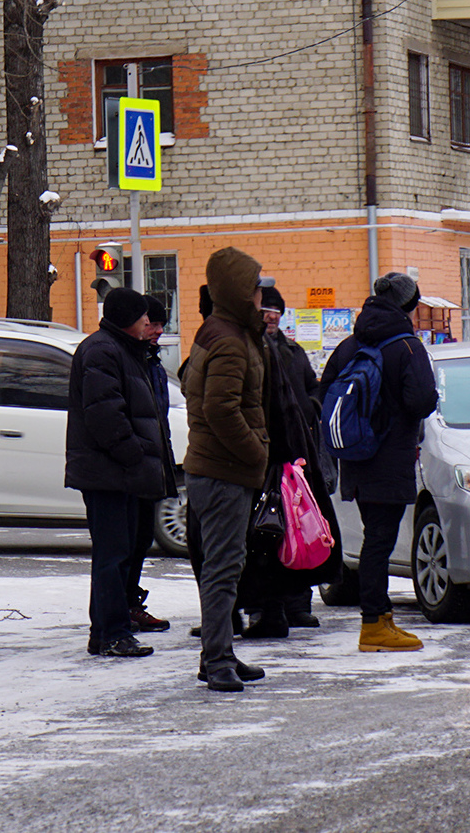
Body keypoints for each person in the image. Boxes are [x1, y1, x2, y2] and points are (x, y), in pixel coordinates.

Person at [320, 272, 438, 654]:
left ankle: (382, 616)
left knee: (376, 538)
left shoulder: (352, 343)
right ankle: (374, 624)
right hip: (390, 458)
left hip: (356, 456)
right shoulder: (406, 347)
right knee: (379, 543)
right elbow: (421, 401)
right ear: (409, 305)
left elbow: (323, 393)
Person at [181, 247, 272, 692]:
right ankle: (216, 658)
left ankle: (221, 654)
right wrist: (256, 452)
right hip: (223, 473)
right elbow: (220, 408)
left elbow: (190, 385)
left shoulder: (220, 331)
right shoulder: (230, 340)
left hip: (216, 469)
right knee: (222, 568)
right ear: (240, 292)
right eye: (256, 287)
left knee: (225, 567)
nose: (261, 295)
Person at [67, 287, 175, 659]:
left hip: (123, 472)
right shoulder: (102, 350)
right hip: (108, 473)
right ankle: (110, 632)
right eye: (144, 317)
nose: (150, 324)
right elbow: (104, 414)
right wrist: (135, 453)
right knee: (112, 556)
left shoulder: (126, 351)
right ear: (128, 318)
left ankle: (111, 630)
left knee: (123, 552)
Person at [239, 282, 336, 637]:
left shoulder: (293, 353)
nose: (270, 318)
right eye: (266, 312)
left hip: (299, 452)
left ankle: (298, 603)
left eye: (276, 313)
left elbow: (314, 388)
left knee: (303, 524)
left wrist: (309, 410)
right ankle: (264, 608)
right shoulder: (252, 351)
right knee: (269, 529)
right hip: (266, 451)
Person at [122, 295, 174, 636]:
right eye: (151, 324)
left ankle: (129, 604)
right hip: (133, 467)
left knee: (140, 540)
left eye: (159, 325)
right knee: (126, 544)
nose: (156, 331)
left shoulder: (151, 362)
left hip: (151, 461)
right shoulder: (129, 359)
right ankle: (122, 609)